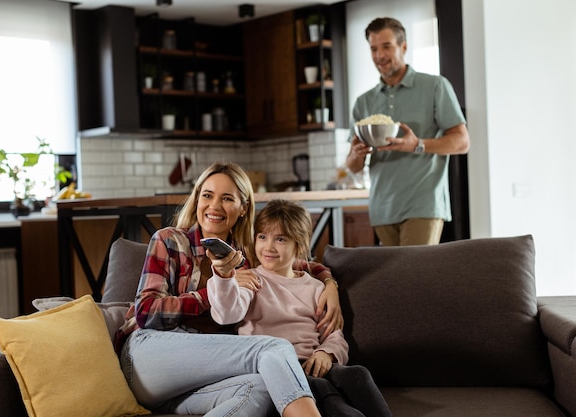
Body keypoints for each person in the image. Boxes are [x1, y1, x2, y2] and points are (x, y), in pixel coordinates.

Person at [115, 162, 343, 417]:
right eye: (207, 195)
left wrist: (329, 284)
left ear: (243, 208)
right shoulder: (169, 240)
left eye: (226, 199)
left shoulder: (246, 253)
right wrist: (211, 291)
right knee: (274, 348)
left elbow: (299, 263)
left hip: (199, 377)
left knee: (260, 389)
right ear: (197, 199)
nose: (214, 206)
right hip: (149, 358)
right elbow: (147, 313)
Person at [207, 199, 392, 417]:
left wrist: (326, 353)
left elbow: (333, 334)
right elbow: (228, 312)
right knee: (320, 388)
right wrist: (225, 279)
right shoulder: (252, 280)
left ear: (300, 244)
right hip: (277, 369)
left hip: (314, 362)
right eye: (262, 237)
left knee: (357, 374)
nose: (269, 247)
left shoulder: (315, 287)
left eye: (281, 239)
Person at [345, 17, 470, 246]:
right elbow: (353, 166)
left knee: (416, 277)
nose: (379, 55)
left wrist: (417, 144)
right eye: (373, 48)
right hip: (382, 208)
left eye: (386, 46)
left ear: (403, 46)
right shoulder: (364, 102)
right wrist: (357, 153)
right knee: (396, 281)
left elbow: (462, 142)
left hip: (423, 203)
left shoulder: (435, 86)